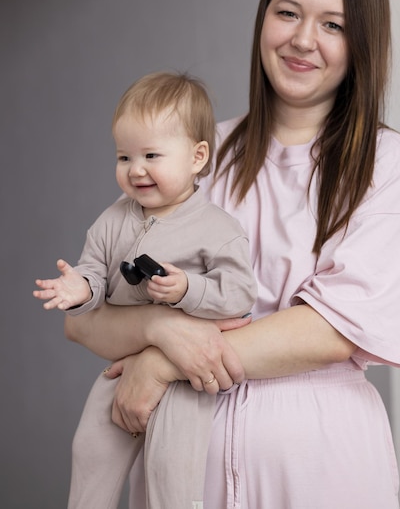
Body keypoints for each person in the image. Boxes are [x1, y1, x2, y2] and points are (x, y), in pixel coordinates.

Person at [64, 0, 400, 509]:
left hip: (322, 468)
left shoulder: (385, 165)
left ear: (363, 44)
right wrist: (159, 334)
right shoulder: (199, 155)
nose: (303, 39)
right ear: (263, 20)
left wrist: (161, 362)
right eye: (288, 13)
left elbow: (335, 329)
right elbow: (85, 318)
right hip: (182, 465)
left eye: (334, 24)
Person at [34, 71, 257, 509]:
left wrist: (188, 288)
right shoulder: (113, 218)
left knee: (171, 469)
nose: (136, 169)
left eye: (151, 155)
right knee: (91, 449)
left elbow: (240, 295)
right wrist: (80, 287)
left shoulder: (217, 229)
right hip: (123, 364)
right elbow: (95, 269)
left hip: (183, 375)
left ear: (197, 157)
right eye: (123, 157)